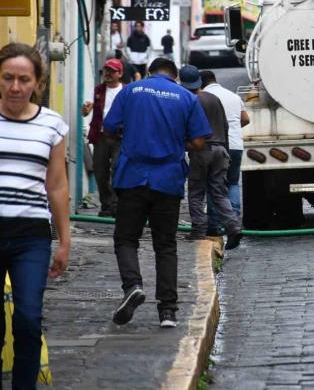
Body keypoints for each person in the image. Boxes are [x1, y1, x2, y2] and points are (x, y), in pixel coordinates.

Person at [103, 57, 213, 329]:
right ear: (175, 76)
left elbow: (108, 129)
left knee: (126, 239)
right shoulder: (186, 97)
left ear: (150, 72)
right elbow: (200, 141)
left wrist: (127, 137)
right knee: (165, 246)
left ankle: (133, 285)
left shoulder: (130, 91)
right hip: (168, 180)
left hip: (132, 177)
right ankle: (168, 311)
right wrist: (177, 142)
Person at [0, 43, 70, 387]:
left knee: (28, 318)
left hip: (31, 236)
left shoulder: (52, 125)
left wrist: (65, 241)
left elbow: (57, 186)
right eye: (8, 78)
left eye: (23, 79)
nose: (15, 87)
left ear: (37, 83)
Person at [179, 66, 243, 243]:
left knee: (196, 192)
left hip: (201, 151)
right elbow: (225, 126)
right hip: (221, 150)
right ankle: (233, 226)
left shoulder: (188, 100)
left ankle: (199, 230)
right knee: (219, 192)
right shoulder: (214, 98)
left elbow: (185, 128)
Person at [200, 70, 249, 234]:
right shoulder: (233, 96)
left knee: (214, 185)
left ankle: (214, 225)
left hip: (215, 144)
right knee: (233, 183)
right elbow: (245, 119)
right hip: (235, 145)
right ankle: (234, 219)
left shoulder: (203, 97)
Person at [81, 58, 125, 218]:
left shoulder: (125, 90)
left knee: (117, 170)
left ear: (120, 74)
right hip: (101, 137)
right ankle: (106, 205)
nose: (107, 73)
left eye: (112, 71)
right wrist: (85, 111)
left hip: (120, 138)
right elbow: (87, 109)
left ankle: (115, 205)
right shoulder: (98, 90)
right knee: (100, 172)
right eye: (106, 70)